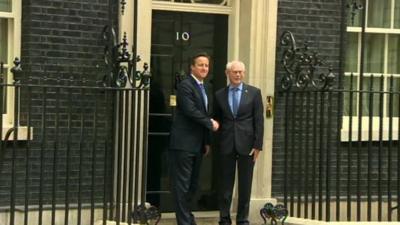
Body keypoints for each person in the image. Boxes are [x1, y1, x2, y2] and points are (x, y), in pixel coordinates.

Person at [169, 52, 219, 225]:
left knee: (192, 186)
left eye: (206, 65)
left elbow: (203, 112)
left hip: (197, 145)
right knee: (182, 186)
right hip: (183, 144)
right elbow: (191, 111)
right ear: (192, 67)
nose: (204, 68)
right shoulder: (185, 86)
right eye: (200, 65)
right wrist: (210, 123)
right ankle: (185, 221)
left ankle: (187, 217)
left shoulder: (204, 88)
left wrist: (206, 142)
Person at [214, 60, 264, 225]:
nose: (238, 75)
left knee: (245, 185)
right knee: (225, 185)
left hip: (247, 145)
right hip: (226, 144)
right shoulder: (219, 94)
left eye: (241, 72)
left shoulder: (254, 93)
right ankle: (224, 218)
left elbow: (259, 120)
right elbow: (216, 120)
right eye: (235, 72)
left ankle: (242, 219)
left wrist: (258, 145)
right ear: (227, 73)